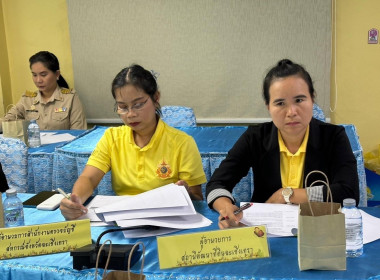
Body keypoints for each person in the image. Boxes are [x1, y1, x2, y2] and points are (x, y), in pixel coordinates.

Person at [206, 59, 359, 229]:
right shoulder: (255, 137)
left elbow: (349, 192)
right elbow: (216, 184)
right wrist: (225, 207)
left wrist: (287, 195)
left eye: (299, 100)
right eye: (280, 103)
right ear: (268, 107)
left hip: (318, 230)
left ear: (312, 99)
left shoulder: (333, 137)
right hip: (268, 231)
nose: (291, 112)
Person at [60, 64, 207, 220]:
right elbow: (88, 178)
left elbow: (197, 197)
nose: (130, 114)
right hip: (124, 221)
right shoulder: (112, 137)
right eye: (123, 107)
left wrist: (185, 193)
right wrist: (75, 200)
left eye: (138, 105)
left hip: (167, 221)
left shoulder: (182, 143)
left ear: (156, 98)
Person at [0, 51, 87, 132]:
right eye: (34, 75)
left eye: (43, 75)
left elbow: (79, 133)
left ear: (57, 74)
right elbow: (6, 121)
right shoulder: (27, 100)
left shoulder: (70, 98)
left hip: (61, 147)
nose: (38, 80)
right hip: (34, 147)